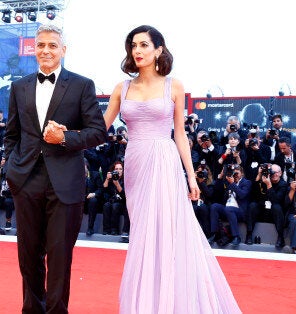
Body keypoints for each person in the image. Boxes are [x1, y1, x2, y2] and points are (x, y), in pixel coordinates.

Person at [103, 25, 240, 313]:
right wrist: (68, 135)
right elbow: (99, 126)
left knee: (167, 232)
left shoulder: (173, 85)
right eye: (133, 45)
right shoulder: (122, 87)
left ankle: (170, 304)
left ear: (158, 49)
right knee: (142, 233)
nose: (137, 50)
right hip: (136, 163)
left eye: (143, 44)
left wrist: (191, 176)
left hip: (164, 162)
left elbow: (180, 134)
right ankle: (147, 303)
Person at [3, 25, 107, 313]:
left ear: (63, 50)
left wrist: (65, 138)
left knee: (59, 257)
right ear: (34, 49)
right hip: (25, 180)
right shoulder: (19, 86)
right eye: (40, 45)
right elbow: (12, 135)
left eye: (52, 45)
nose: (46, 50)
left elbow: (98, 132)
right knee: (28, 256)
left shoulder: (82, 85)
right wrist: (11, 170)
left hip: (65, 181)